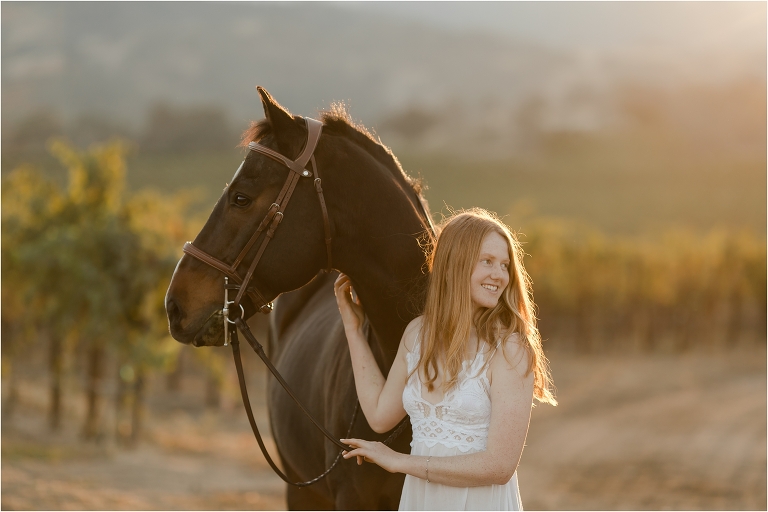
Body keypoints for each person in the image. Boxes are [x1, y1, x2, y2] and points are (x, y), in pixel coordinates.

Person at [334, 208, 557, 510]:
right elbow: (378, 414)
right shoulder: (417, 335)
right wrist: (352, 327)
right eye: (487, 262)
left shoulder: (510, 348)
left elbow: (499, 466)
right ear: (454, 264)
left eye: (504, 265)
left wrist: (400, 462)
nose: (499, 275)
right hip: (422, 501)